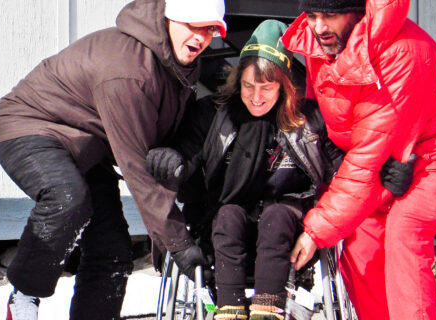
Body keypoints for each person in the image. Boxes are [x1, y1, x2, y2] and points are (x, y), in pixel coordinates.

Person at [145, 20, 415, 320]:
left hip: (289, 226)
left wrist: (382, 171)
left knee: (276, 215)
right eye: (248, 85)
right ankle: (229, 309)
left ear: (284, 85)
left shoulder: (307, 119)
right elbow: (187, 150)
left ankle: (267, 309)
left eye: (266, 87)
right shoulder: (212, 113)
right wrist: (169, 159)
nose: (256, 95)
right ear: (238, 81)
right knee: (229, 215)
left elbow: (345, 164)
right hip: (221, 222)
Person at [0, 0, 227, 319]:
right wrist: (178, 244)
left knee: (112, 251)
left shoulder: (177, 61)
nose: (202, 37)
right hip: (29, 127)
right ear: (170, 18)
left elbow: (159, 140)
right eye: (194, 26)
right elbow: (137, 168)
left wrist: (173, 154)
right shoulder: (129, 71)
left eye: (210, 29)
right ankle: (24, 296)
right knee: (68, 197)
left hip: (90, 148)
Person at [280, 0, 436, 319]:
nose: (319, 26)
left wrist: (316, 230)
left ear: (356, 11)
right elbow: (323, 118)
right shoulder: (323, 42)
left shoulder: (398, 53)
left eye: (330, 15)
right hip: (383, 151)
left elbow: (369, 163)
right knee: (360, 244)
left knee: (405, 230)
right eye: (312, 15)